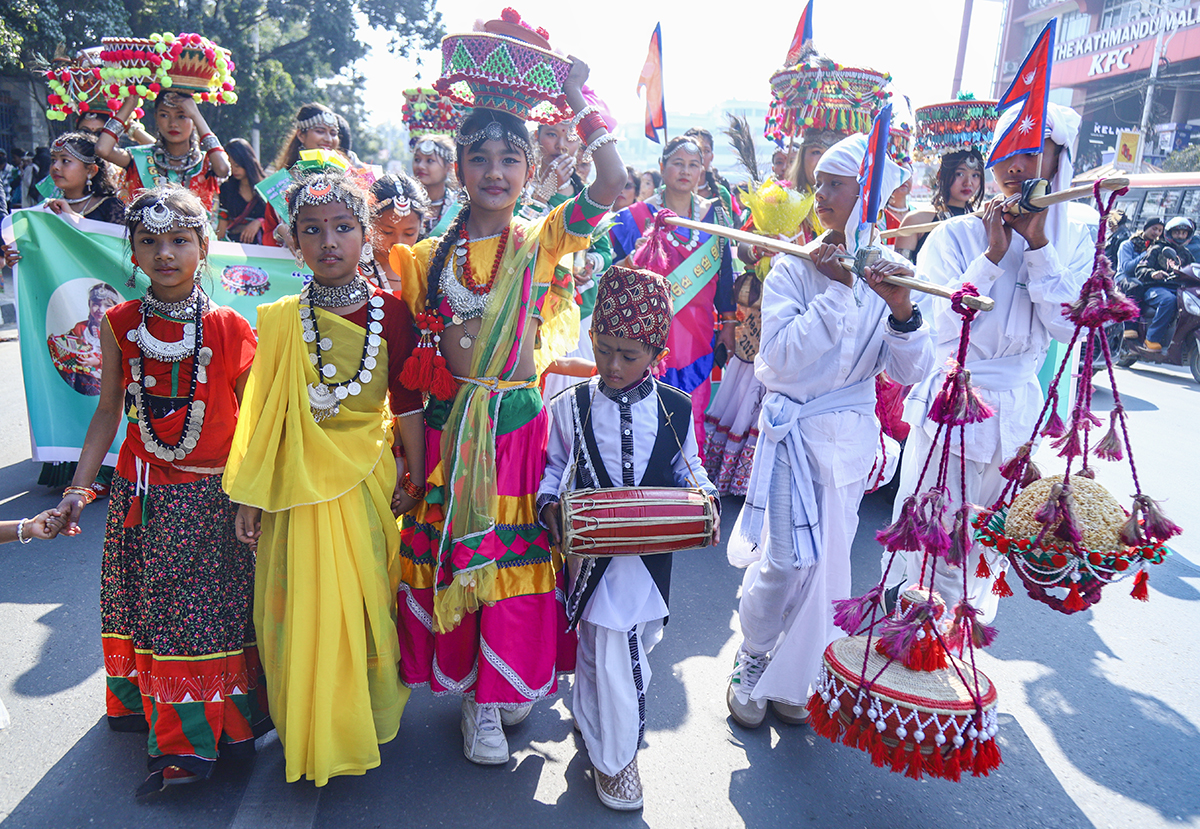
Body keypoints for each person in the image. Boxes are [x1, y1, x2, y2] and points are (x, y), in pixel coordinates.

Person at [388, 56, 625, 766]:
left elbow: (611, 184)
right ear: (458, 168)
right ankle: (478, 698)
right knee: (461, 561)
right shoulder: (425, 256)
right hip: (450, 428)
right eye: (481, 158)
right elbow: (410, 368)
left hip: (518, 426)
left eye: (510, 158)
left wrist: (582, 98)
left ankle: (503, 679)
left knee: (514, 561)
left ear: (530, 168)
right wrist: (410, 451)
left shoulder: (544, 238)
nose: (496, 171)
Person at [49, 185, 266, 796]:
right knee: (162, 616)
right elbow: (108, 412)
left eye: (179, 240)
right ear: (133, 251)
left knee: (210, 620)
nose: (164, 253)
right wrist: (79, 489)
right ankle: (179, 741)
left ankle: (217, 732)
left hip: (214, 502)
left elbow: (252, 423)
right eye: (149, 241)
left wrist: (250, 496)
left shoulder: (228, 327)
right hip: (143, 499)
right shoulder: (122, 323)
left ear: (203, 247)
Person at [223, 159, 424, 786]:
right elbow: (262, 417)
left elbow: (410, 400)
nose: (328, 241)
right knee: (298, 606)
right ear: (292, 241)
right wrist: (250, 498)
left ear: (368, 235)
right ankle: (305, 717)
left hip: (366, 476)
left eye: (342, 226)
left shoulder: (392, 314)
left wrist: (418, 472)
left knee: (363, 603)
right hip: (293, 488)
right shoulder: (282, 319)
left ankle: (355, 712)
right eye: (311, 230)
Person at [724, 133, 933, 730]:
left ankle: (799, 672)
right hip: (794, 435)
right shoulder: (792, 266)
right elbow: (779, 361)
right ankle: (752, 658)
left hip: (851, 440)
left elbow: (911, 370)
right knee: (787, 562)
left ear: (864, 193)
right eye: (817, 184)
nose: (819, 195)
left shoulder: (896, 270)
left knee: (830, 567)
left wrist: (901, 310)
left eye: (833, 185)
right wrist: (837, 292)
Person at [883, 102, 1093, 622]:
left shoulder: (1077, 240)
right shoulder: (955, 237)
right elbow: (943, 332)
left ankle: (958, 653)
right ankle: (925, 647)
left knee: (988, 546)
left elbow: (1071, 329)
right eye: (1006, 153)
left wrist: (1040, 246)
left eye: (1031, 152)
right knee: (938, 540)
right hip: (954, 409)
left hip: (1018, 420)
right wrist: (994, 256)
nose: (1015, 166)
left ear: (1058, 161)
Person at [538, 266, 719, 810]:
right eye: (605, 349)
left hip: (648, 563)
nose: (614, 366)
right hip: (591, 562)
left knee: (622, 651)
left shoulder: (677, 409)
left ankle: (595, 728)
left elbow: (695, 473)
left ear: (657, 351)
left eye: (630, 355)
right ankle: (617, 760)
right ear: (592, 337)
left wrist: (705, 504)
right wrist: (552, 510)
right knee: (611, 652)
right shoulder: (569, 406)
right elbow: (553, 472)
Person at [609, 136, 736, 442]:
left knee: (692, 409)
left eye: (694, 165)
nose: (685, 171)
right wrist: (632, 257)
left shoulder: (714, 216)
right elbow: (613, 273)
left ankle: (689, 477)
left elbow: (725, 273)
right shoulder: (634, 217)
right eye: (677, 163)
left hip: (698, 330)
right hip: (647, 330)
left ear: (702, 171)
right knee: (644, 414)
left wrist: (729, 324)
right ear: (662, 167)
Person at [96, 92, 230, 217]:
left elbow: (223, 169)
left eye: (182, 116)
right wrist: (129, 106)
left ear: (194, 121)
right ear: (156, 117)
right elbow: (103, 149)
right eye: (164, 115)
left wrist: (196, 115)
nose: (173, 123)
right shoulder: (140, 157)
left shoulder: (204, 162)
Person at [892, 149, 986, 261]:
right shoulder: (916, 220)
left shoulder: (982, 220)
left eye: (975, 175)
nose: (968, 182)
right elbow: (899, 271)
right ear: (940, 175)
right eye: (959, 174)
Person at [1133, 216, 1195, 351]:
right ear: (1169, 233)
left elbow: (1194, 271)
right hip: (1156, 288)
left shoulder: (1187, 254)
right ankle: (1151, 339)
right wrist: (1153, 274)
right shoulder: (1157, 248)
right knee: (1169, 300)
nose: (1180, 236)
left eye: (1183, 233)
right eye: (1177, 232)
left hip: (1179, 290)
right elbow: (1140, 269)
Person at [366, 171, 430, 292]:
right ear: (370, 223)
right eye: (387, 232)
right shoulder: (354, 272)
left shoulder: (428, 269)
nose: (398, 243)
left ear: (421, 226)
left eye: (409, 233)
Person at [216, 138, 267, 243]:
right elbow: (222, 225)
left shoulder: (266, 187)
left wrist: (259, 222)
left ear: (247, 162)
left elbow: (277, 221)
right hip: (234, 245)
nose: (234, 170)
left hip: (263, 247)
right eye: (230, 165)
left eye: (237, 165)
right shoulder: (226, 188)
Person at [411, 135, 460, 236]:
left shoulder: (458, 206)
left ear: (449, 167)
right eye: (417, 159)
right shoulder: (405, 203)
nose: (420, 166)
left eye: (429, 161)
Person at [1118, 216, 1164, 287]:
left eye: (1160, 230)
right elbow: (1127, 268)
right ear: (1146, 228)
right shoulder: (1128, 244)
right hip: (1126, 280)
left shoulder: (1157, 247)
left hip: (1145, 280)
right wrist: (1146, 253)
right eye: (1154, 229)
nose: (1156, 233)